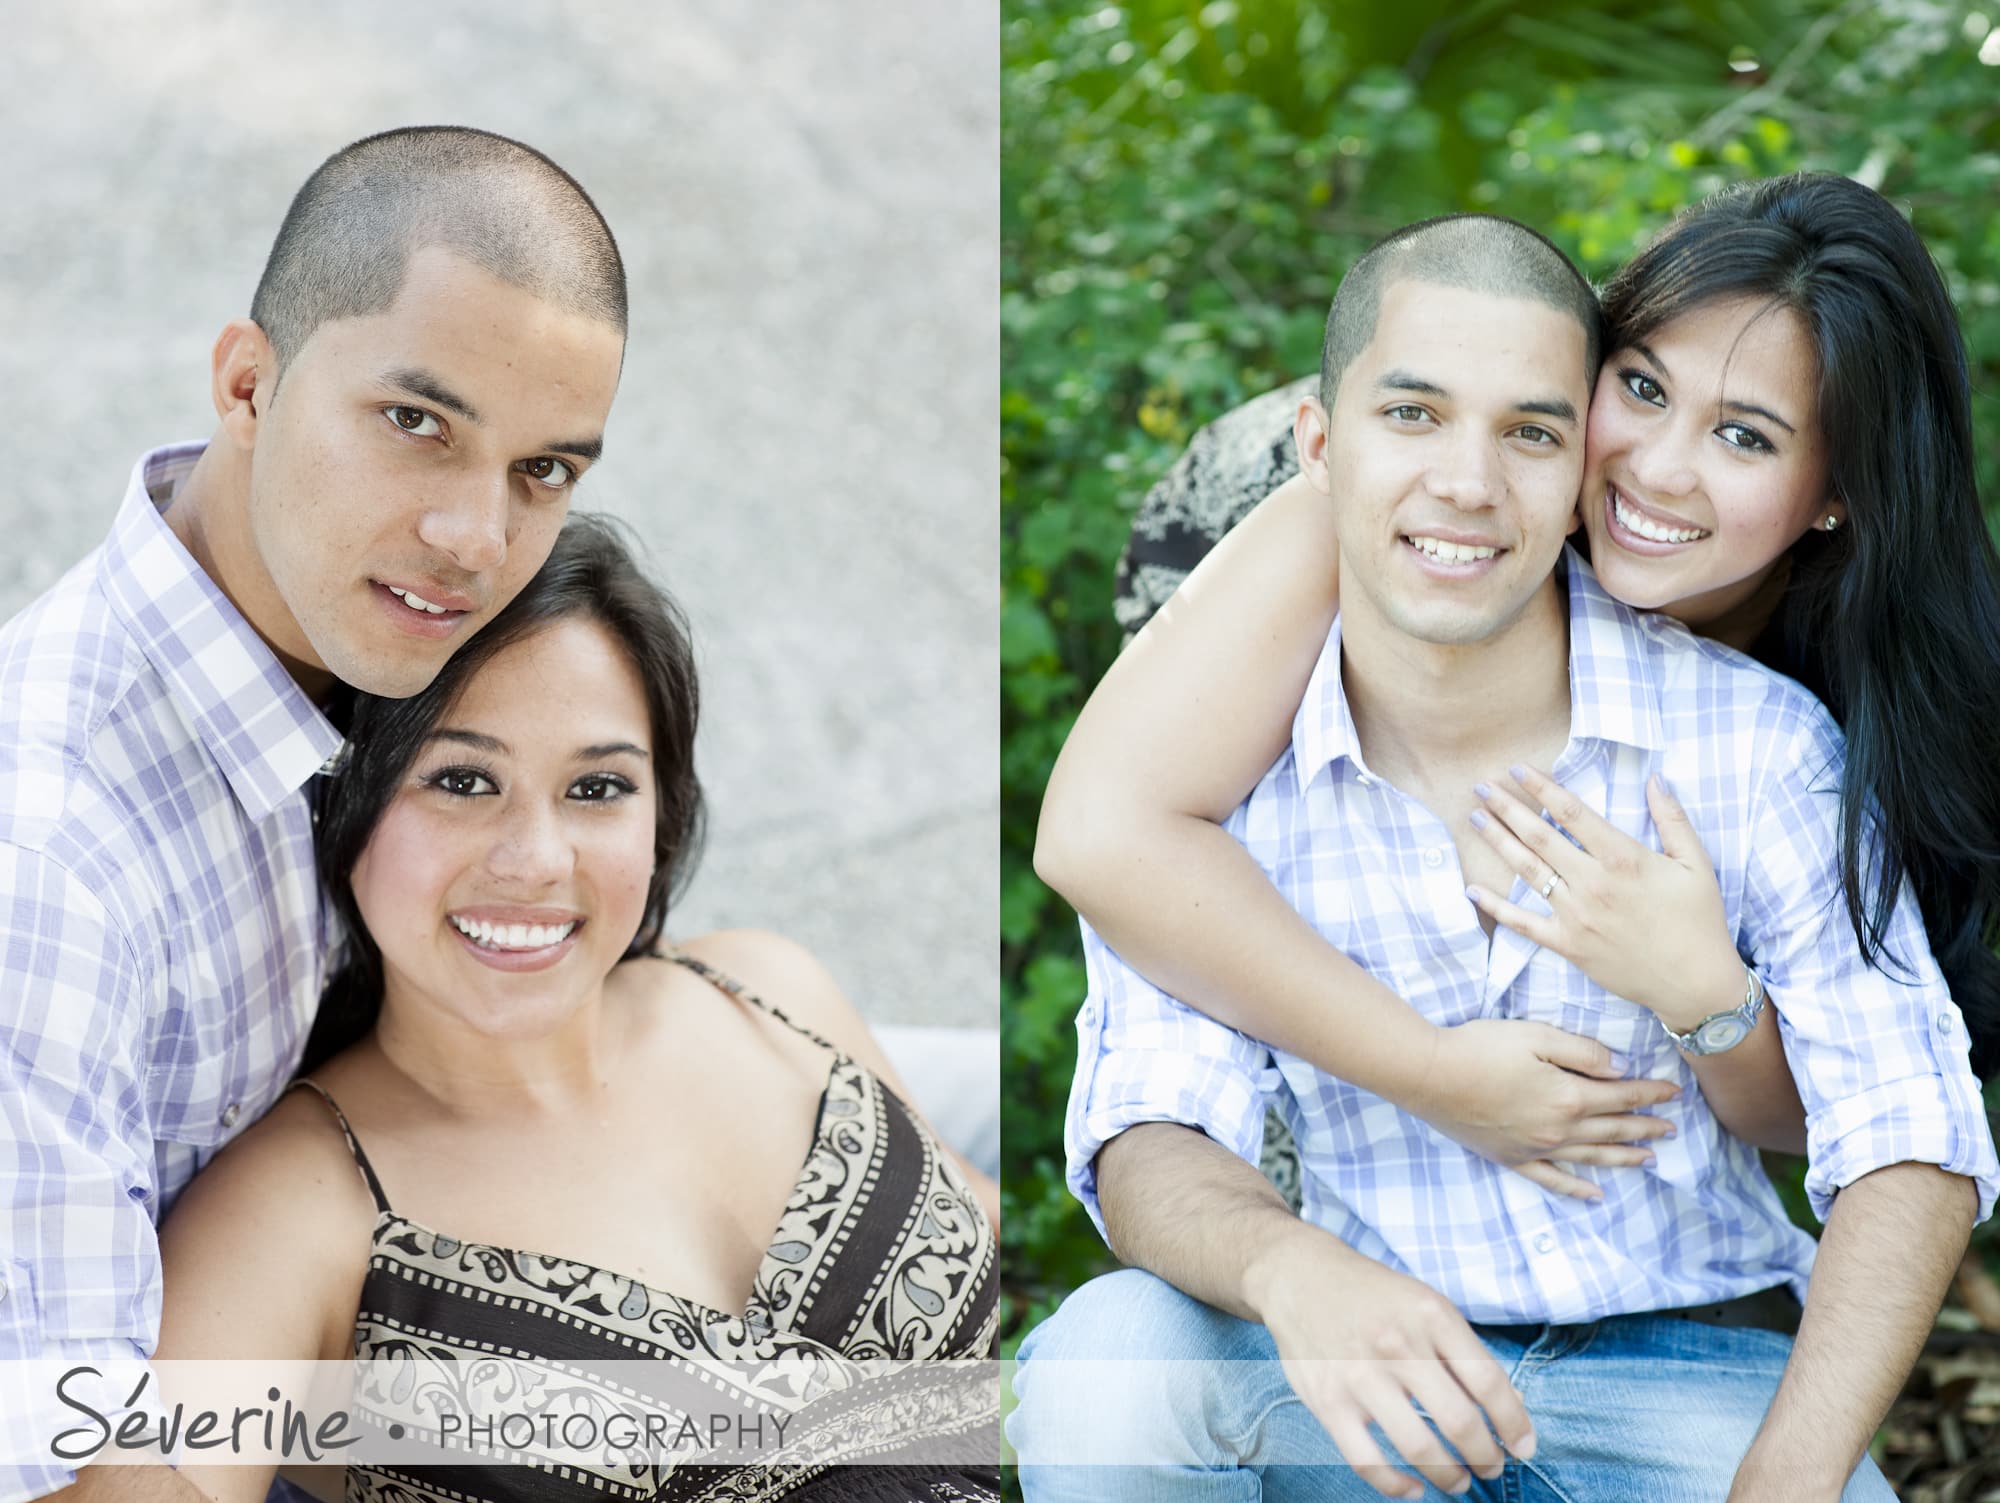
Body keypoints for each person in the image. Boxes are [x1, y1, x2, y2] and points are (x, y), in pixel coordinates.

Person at [1007, 212, 1998, 1500]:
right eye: (1637, 393)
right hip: (1355, 1362)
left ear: (1830, 499)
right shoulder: (1228, 726)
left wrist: (1701, 991)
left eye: (1743, 435)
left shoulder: (1768, 740)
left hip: (1677, 1370)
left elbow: (1892, 1121)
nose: (1655, 466)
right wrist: (1306, 1247)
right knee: (1110, 1369)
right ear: (1321, 445)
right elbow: (1135, 1040)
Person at [0, 126, 629, 1501]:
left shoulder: (373, 628)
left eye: (544, 470)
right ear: (247, 382)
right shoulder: (46, 869)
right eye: (418, 423)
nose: (476, 537)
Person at [142, 514, 1000, 1503]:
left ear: (661, 809)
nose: (539, 861)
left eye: (597, 787)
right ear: (347, 803)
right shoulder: (297, 1216)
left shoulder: (766, 991)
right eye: (462, 781)